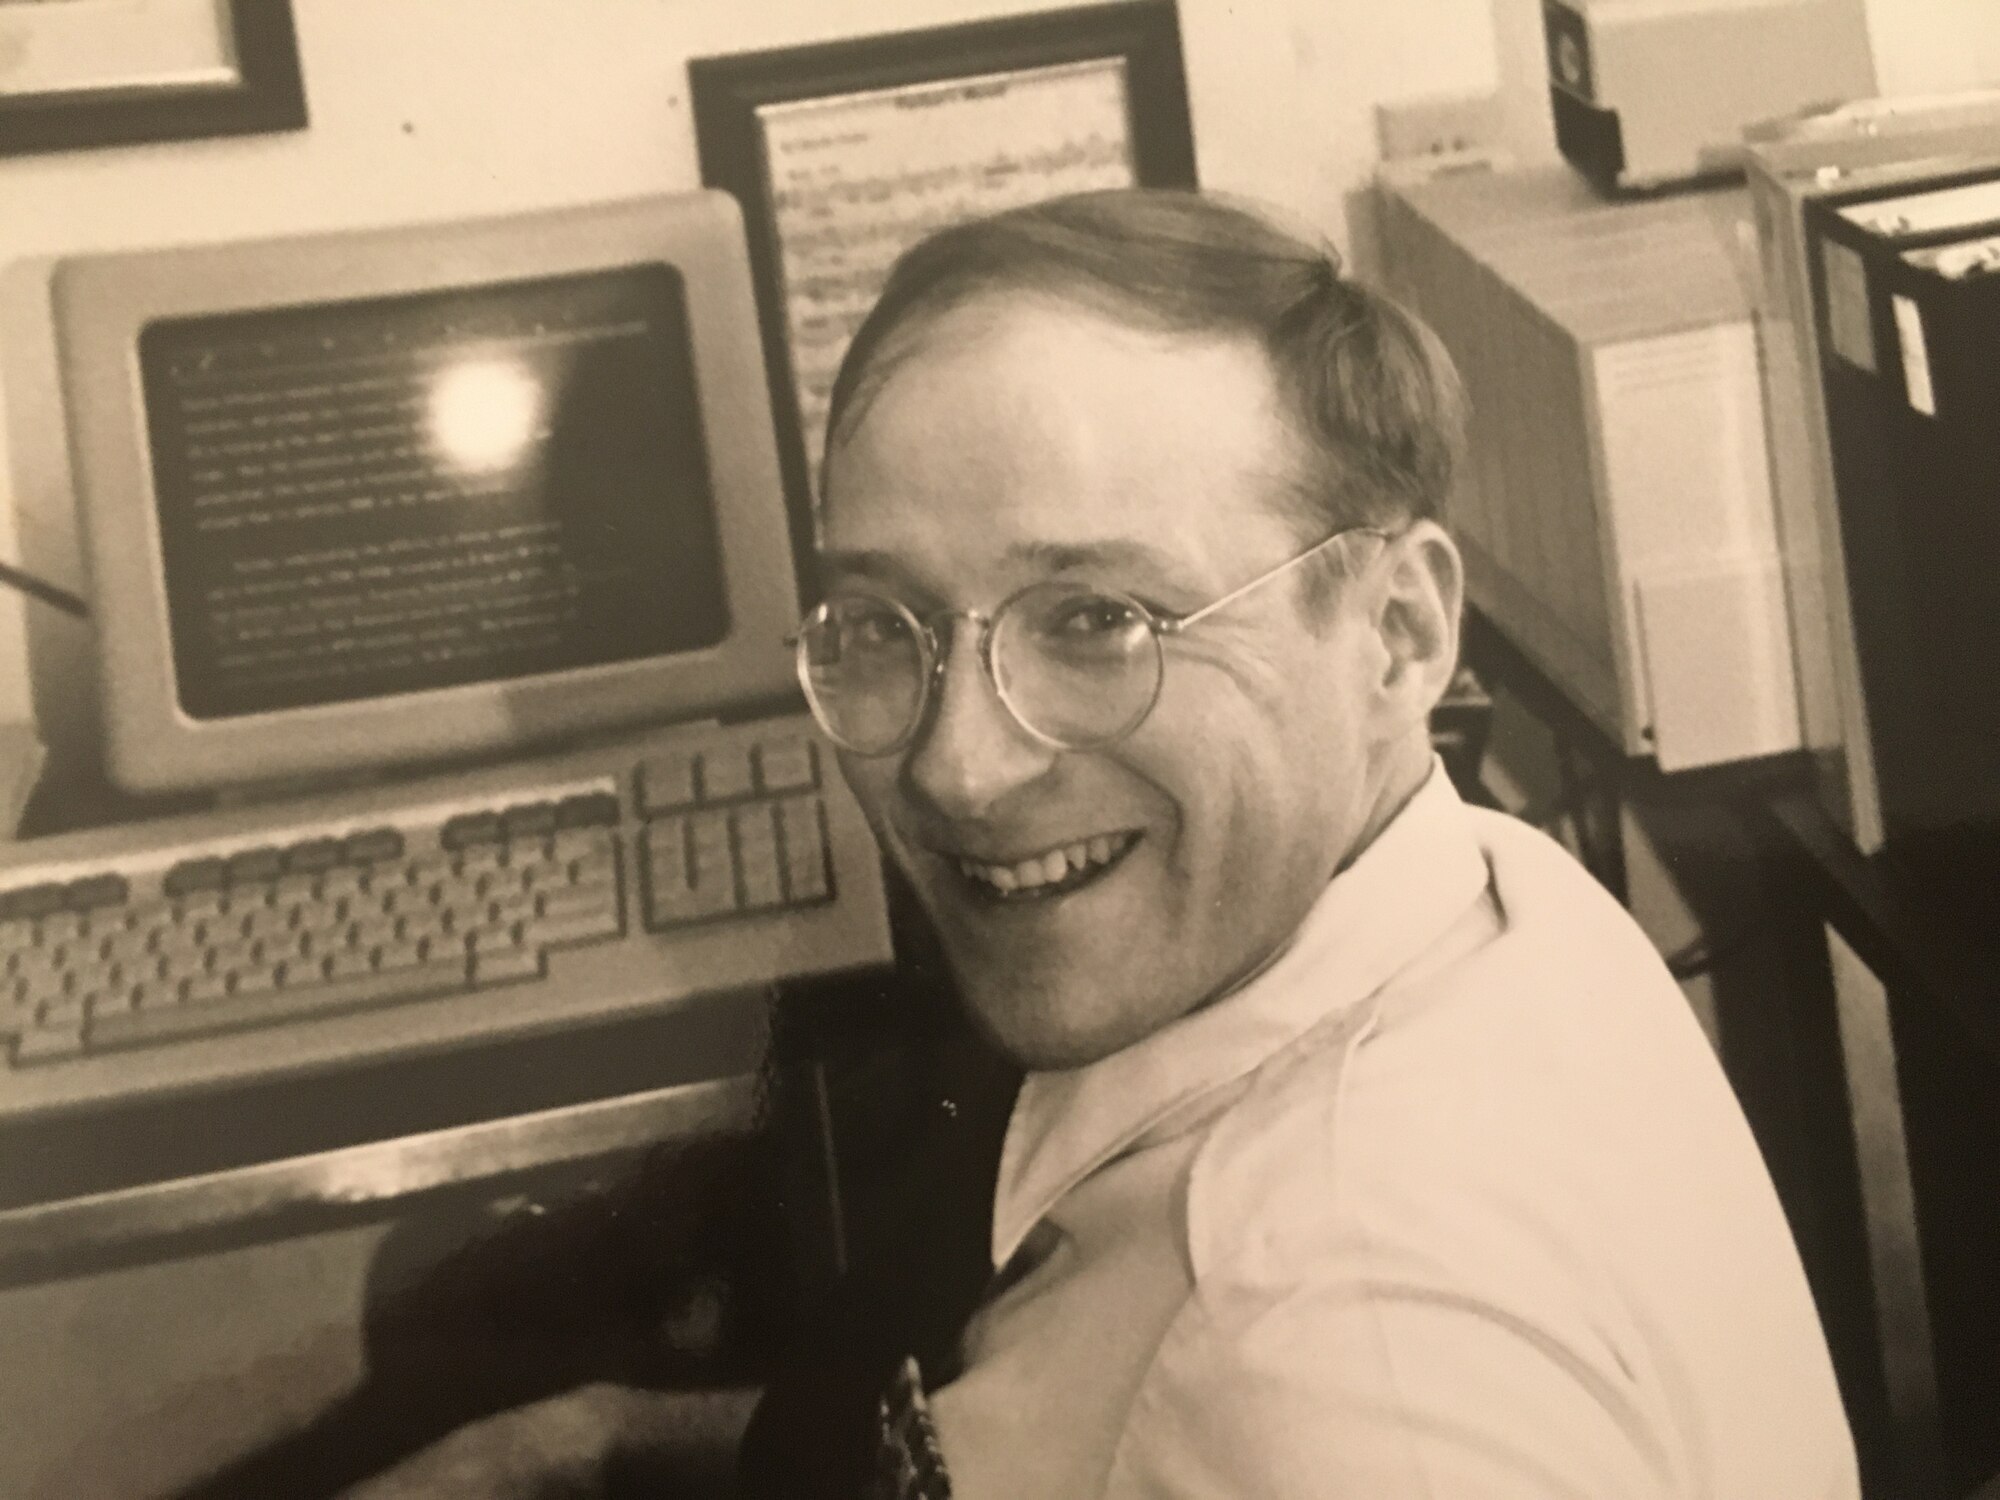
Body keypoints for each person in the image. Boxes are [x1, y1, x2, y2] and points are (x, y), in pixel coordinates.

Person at [337, 189, 1859, 1498]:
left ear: (1396, 633)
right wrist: (592, 1443)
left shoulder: (1325, 1379)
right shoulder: (1495, 898)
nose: (958, 766)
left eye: (1098, 620)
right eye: (886, 626)